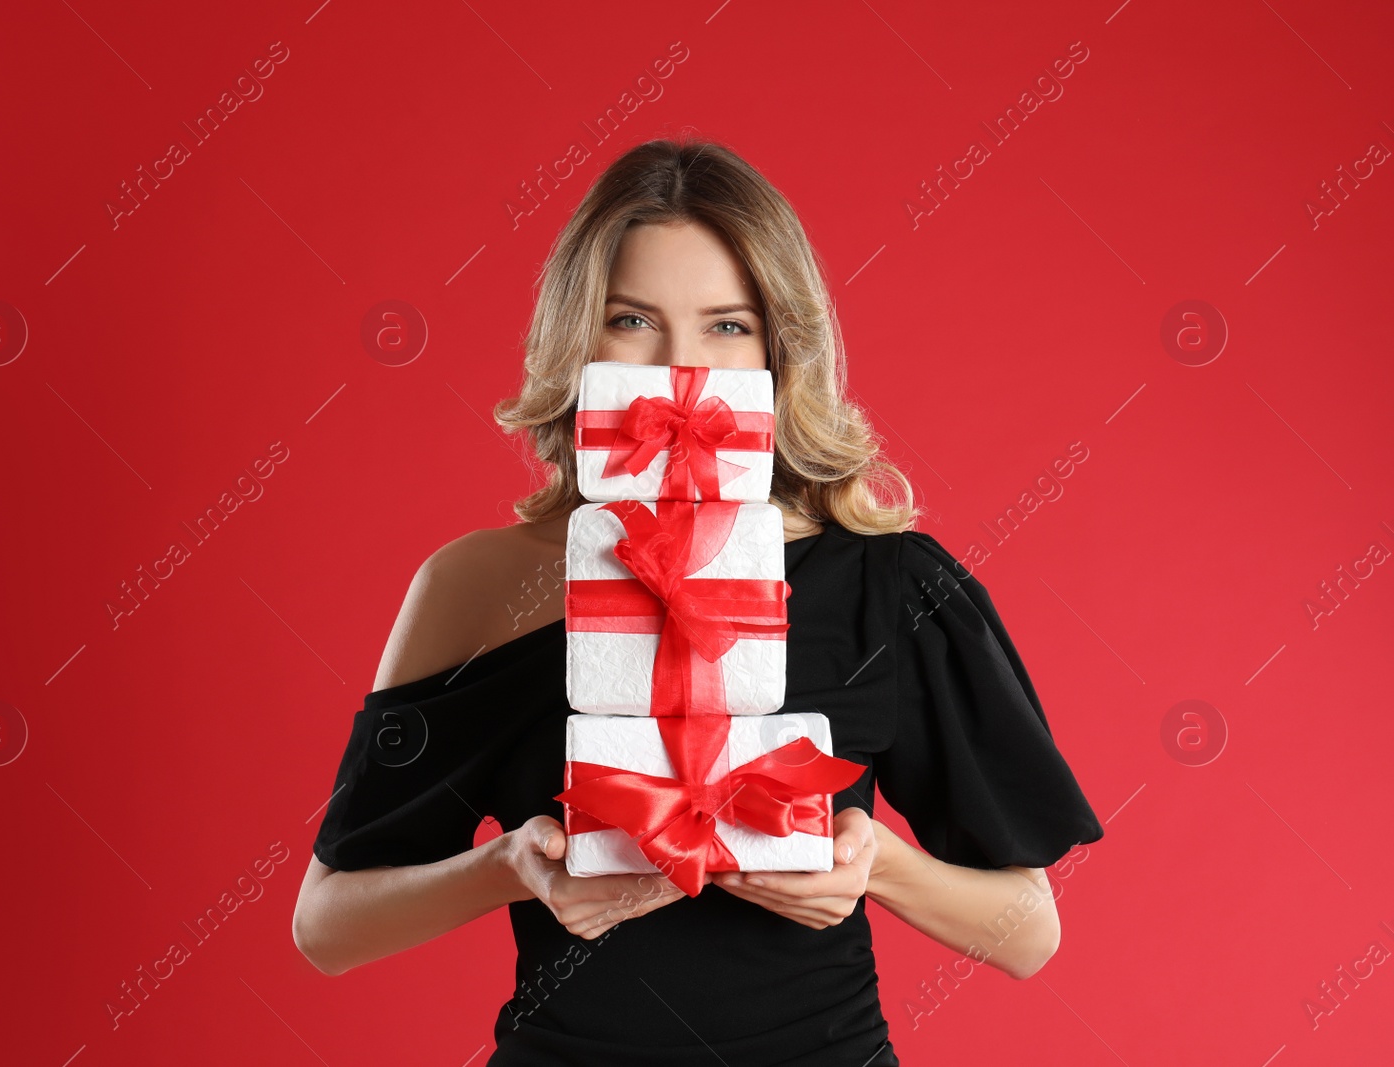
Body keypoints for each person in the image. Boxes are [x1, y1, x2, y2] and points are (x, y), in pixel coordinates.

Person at [291, 137, 1105, 1065]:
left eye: (728, 325)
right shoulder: (477, 584)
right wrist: (507, 866)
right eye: (632, 319)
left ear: (779, 350)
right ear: (577, 339)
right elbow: (327, 925)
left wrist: (879, 863)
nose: (681, 369)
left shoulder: (893, 584)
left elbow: (1030, 930)